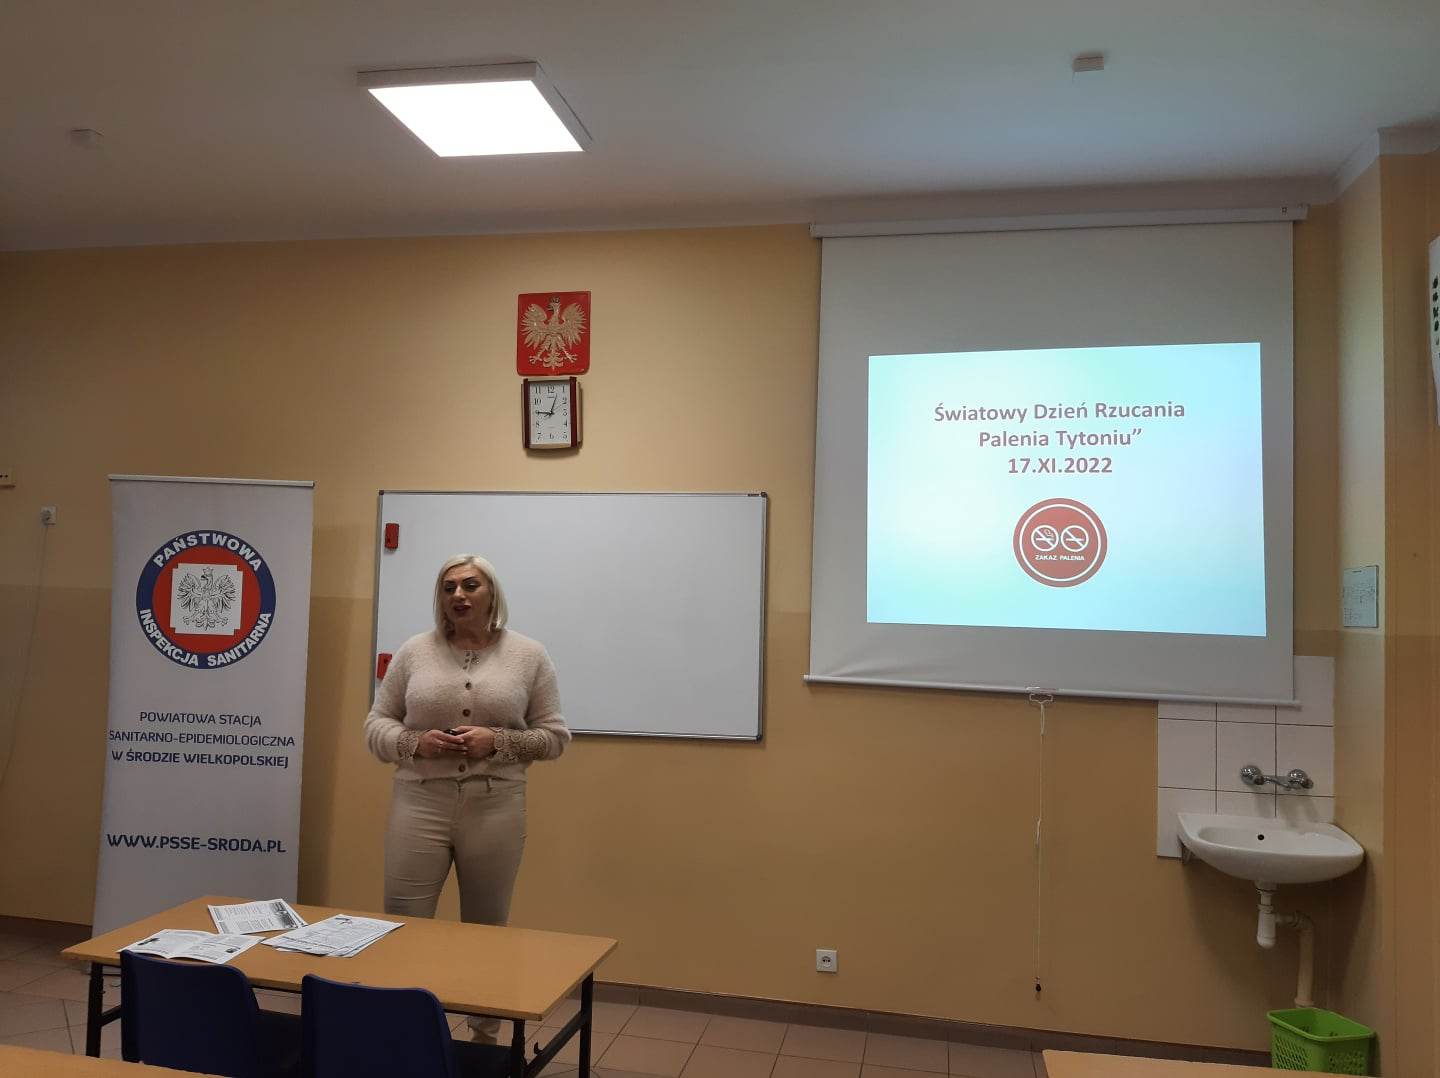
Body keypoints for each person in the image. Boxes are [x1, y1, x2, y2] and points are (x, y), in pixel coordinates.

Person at [364, 554, 570, 1043]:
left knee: (486, 928)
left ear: (491, 593)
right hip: (419, 802)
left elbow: (555, 738)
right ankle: (402, 1035)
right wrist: (415, 743)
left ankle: (485, 1039)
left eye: (470, 585)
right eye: (448, 587)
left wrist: (497, 741)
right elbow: (376, 725)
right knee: (404, 922)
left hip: (495, 805)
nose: (458, 595)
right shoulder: (414, 651)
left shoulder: (529, 655)